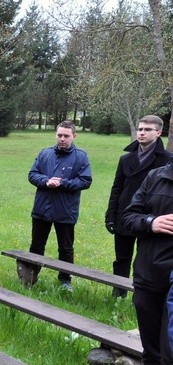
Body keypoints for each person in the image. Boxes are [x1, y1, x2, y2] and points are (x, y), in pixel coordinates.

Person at [120, 160, 173, 365]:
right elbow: (128, 217)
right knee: (152, 347)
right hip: (148, 276)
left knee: (170, 347)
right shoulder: (156, 177)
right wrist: (151, 222)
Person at [106, 115, 172, 298]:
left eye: (147, 129)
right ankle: (118, 293)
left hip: (152, 219)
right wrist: (111, 215)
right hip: (126, 215)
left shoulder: (166, 160)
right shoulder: (126, 158)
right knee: (122, 259)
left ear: (158, 133)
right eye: (140, 129)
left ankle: (141, 295)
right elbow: (117, 188)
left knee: (146, 260)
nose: (141, 133)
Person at [27, 120, 92, 291]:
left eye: (66, 136)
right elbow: (32, 174)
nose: (62, 139)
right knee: (36, 245)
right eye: (59, 135)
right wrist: (46, 181)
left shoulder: (81, 156)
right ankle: (31, 275)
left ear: (74, 136)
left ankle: (65, 279)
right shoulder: (45, 153)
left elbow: (85, 181)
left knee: (65, 247)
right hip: (42, 209)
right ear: (55, 135)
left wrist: (62, 183)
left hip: (66, 210)